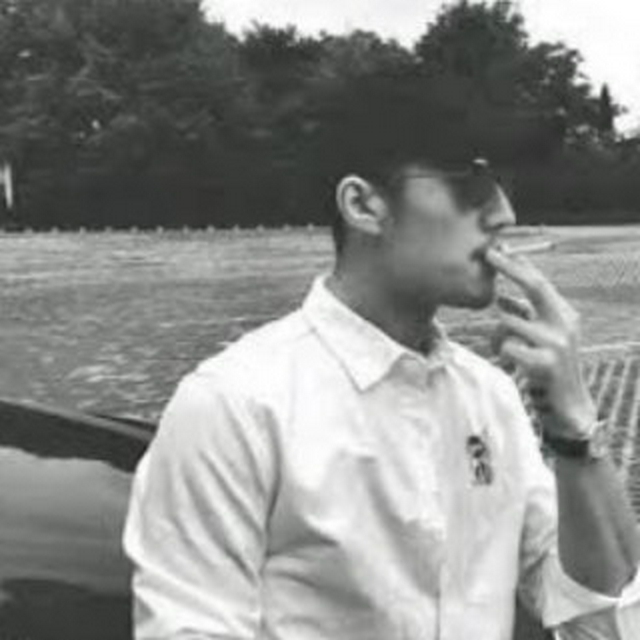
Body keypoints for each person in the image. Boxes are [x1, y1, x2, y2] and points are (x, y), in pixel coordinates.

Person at [122, 128, 640, 638]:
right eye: (470, 182)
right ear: (363, 205)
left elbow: (601, 626)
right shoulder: (235, 403)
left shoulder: (488, 395)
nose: (504, 213)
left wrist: (574, 433)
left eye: (502, 183)